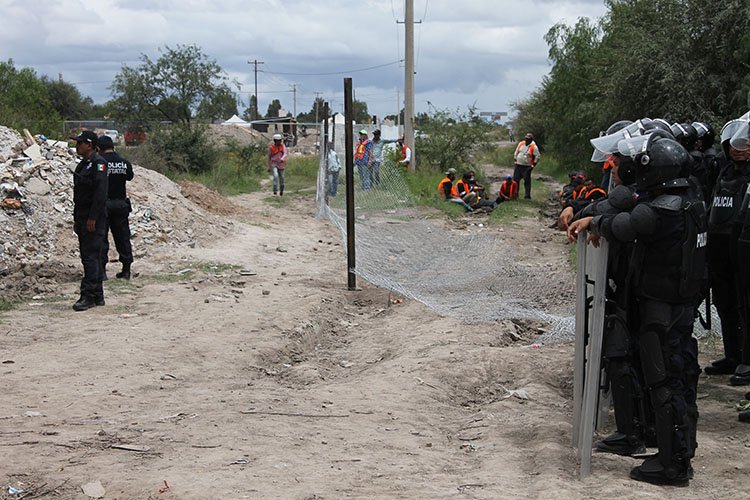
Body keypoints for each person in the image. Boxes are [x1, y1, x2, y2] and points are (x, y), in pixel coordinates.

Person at [568, 133, 706, 486]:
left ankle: (672, 464)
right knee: (679, 379)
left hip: (661, 307)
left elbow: (622, 224)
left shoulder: (661, 209)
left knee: (663, 382)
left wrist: (595, 223)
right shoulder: (691, 198)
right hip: (681, 304)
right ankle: (678, 452)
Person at [704, 119, 750, 380]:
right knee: (724, 302)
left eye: (744, 144)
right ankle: (732, 354)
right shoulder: (723, 172)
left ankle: (746, 358)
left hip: (741, 245)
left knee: (744, 304)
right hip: (719, 245)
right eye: (734, 144)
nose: (739, 149)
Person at [70, 130, 108, 311]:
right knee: (90, 257)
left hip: (94, 217)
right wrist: (77, 218)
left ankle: (89, 296)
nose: (77, 146)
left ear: (89, 145)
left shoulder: (99, 164)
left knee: (91, 257)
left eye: (80, 143)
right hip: (83, 216)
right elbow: (78, 195)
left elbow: (100, 194)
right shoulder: (82, 166)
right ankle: (98, 295)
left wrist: (93, 217)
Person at [97, 135, 134, 280]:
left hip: (104, 204)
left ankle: (102, 271)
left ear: (98, 148)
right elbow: (129, 177)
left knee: (101, 238)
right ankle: (126, 270)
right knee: (123, 237)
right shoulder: (124, 163)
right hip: (121, 204)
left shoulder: (100, 163)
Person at [513, 132, 540, 199]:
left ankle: (527, 196)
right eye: (526, 138)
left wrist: (533, 165)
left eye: (528, 139)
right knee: (515, 180)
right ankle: (515, 194)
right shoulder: (521, 143)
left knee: (527, 181)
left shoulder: (534, 146)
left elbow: (537, 156)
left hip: (527, 166)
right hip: (518, 165)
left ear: (531, 139)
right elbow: (516, 151)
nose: (526, 140)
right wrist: (515, 158)